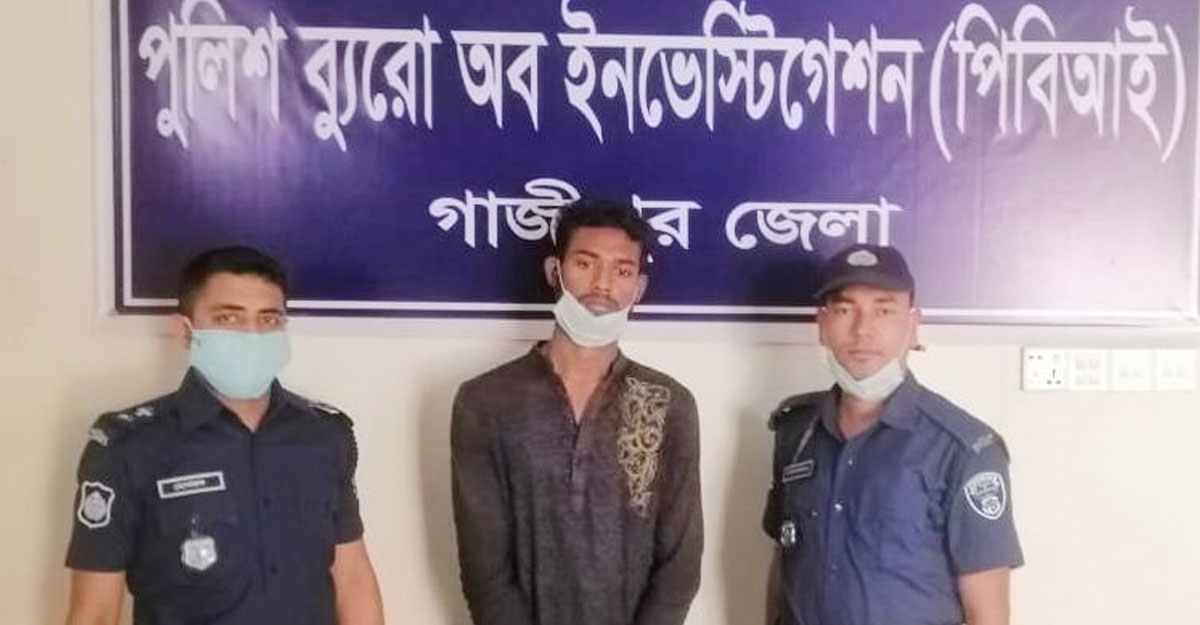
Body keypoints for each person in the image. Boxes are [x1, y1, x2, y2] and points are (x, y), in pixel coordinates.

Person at [64, 246, 384, 625]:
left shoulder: (324, 434)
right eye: (228, 317)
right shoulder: (127, 446)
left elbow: (352, 579)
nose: (252, 334)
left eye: (268, 319)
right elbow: (96, 612)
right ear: (186, 331)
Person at [451, 199, 703, 625]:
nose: (602, 285)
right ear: (555, 272)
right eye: (585, 264)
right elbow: (484, 570)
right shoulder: (486, 402)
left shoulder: (668, 402)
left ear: (639, 288)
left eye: (622, 270)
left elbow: (680, 564)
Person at [763, 243, 1023, 625]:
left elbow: (988, 614)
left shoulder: (964, 450)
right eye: (845, 310)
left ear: (913, 324)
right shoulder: (797, 432)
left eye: (883, 310)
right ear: (822, 325)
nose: (862, 329)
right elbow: (784, 566)